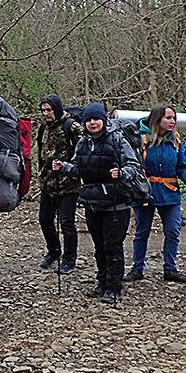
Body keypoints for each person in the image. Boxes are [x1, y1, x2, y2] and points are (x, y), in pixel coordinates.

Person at [53, 103, 142, 305]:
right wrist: (63, 167)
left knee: (112, 246)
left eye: (96, 119)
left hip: (116, 202)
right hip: (92, 201)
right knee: (99, 246)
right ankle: (102, 282)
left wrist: (121, 174)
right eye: (89, 120)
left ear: (104, 120)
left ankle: (114, 287)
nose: (93, 123)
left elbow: (133, 166)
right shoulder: (83, 142)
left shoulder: (118, 140)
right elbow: (78, 167)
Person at [123, 104, 186, 284]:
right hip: (145, 193)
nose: (172, 121)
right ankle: (137, 268)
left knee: (173, 231)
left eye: (173, 118)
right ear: (157, 120)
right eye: (168, 118)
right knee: (142, 232)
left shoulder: (175, 142)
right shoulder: (140, 140)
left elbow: (182, 166)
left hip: (170, 193)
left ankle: (170, 269)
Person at [34, 95, 81, 275]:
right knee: (45, 220)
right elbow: (41, 153)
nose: (46, 113)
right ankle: (54, 251)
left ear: (57, 109)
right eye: (43, 110)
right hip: (48, 182)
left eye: (49, 110)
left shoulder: (72, 127)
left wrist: (74, 171)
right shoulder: (43, 128)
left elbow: (83, 150)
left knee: (67, 222)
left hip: (68, 183)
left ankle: (70, 259)